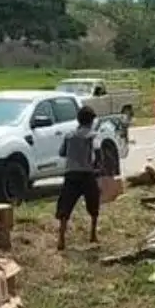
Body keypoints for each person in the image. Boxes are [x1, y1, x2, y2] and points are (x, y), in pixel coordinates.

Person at [56, 105, 102, 250]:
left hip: (71, 174)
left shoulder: (69, 135)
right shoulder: (93, 136)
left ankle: (61, 238)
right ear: (91, 121)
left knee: (65, 205)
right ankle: (93, 234)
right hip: (87, 174)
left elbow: (62, 152)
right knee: (93, 204)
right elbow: (98, 155)